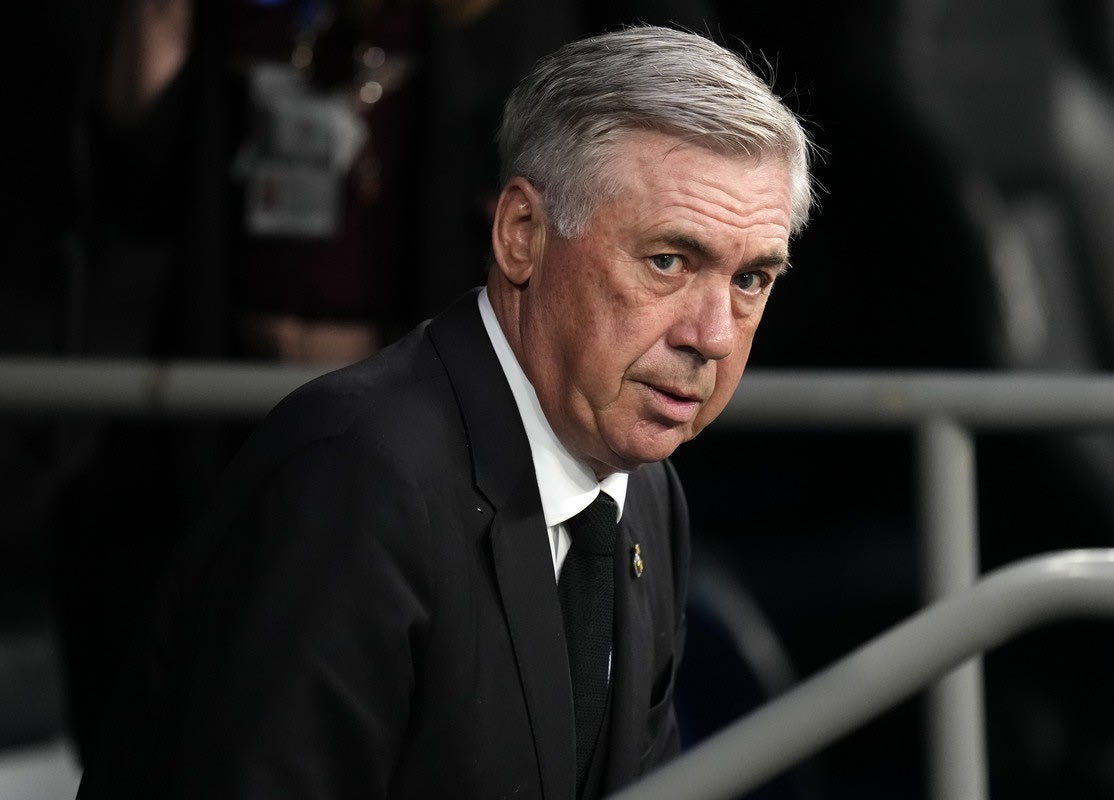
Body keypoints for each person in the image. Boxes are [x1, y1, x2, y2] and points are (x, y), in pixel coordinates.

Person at [75, 23, 815, 800]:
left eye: (751, 280)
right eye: (668, 261)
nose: (712, 336)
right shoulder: (355, 483)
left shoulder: (649, 493)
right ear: (522, 235)